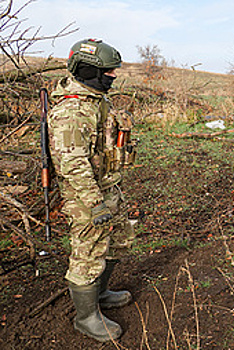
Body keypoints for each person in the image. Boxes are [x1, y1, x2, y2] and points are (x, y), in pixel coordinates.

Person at [48, 38, 135, 342]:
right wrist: (95, 203)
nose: (113, 77)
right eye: (109, 72)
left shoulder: (96, 99)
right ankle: (86, 317)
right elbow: (71, 163)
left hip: (107, 188)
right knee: (87, 254)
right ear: (88, 70)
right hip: (86, 196)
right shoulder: (72, 109)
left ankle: (100, 293)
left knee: (119, 241)